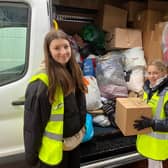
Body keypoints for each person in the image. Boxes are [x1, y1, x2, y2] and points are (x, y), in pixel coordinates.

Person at [24, 29, 87, 168]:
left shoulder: (74, 71)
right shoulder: (42, 82)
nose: (63, 52)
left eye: (66, 46)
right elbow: (33, 125)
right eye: (57, 48)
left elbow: (80, 106)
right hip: (54, 154)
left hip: (73, 145)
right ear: (49, 51)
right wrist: (31, 157)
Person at [133, 60, 168, 168]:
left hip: (159, 146)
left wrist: (151, 123)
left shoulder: (166, 93)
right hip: (147, 143)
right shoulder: (148, 90)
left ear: (164, 73)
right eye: (149, 73)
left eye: (155, 73)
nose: (152, 76)